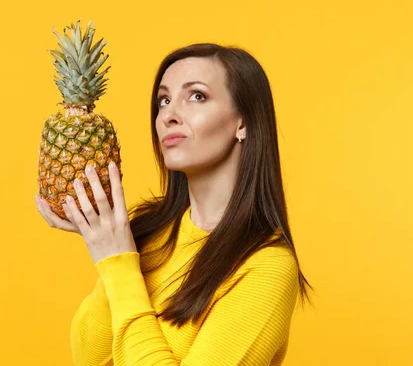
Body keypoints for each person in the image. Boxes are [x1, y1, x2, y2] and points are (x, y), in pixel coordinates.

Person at [35, 43, 313, 365]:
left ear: (243, 122)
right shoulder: (149, 234)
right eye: (164, 100)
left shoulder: (267, 265)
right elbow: (89, 357)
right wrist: (111, 255)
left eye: (196, 96)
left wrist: (117, 261)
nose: (169, 115)